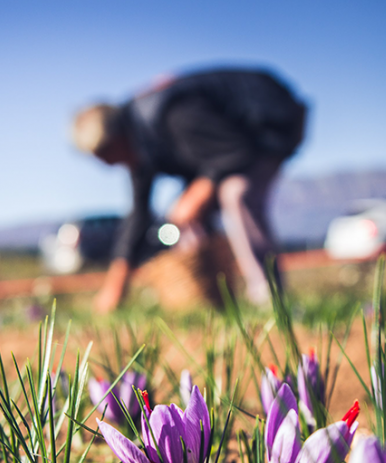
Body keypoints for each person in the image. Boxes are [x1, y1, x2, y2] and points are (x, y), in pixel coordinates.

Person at [72, 67, 307, 311]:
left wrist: (198, 194)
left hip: (269, 122)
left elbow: (235, 151)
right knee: (188, 215)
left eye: (107, 156)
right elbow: (138, 215)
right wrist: (116, 286)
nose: (111, 165)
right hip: (233, 148)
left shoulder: (173, 115)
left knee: (236, 193)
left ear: (116, 137)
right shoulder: (140, 148)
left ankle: (271, 300)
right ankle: (215, 302)